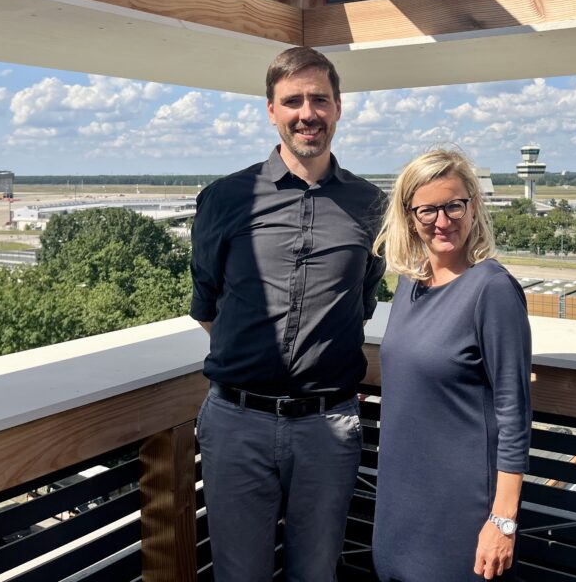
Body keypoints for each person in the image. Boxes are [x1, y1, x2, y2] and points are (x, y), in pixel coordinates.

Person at [190, 46, 386, 582]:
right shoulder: (226, 198)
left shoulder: (371, 206)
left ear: (339, 108)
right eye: (293, 101)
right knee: (239, 575)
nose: (308, 113)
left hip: (328, 428)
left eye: (319, 99)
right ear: (271, 110)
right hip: (236, 424)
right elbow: (206, 303)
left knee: (316, 574)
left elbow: (362, 299)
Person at [371, 149, 532, 581]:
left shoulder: (492, 290)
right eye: (428, 210)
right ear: (409, 216)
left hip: (461, 510)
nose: (443, 222)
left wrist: (502, 521)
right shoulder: (410, 283)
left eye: (454, 205)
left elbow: (514, 414)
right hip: (400, 502)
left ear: (473, 206)